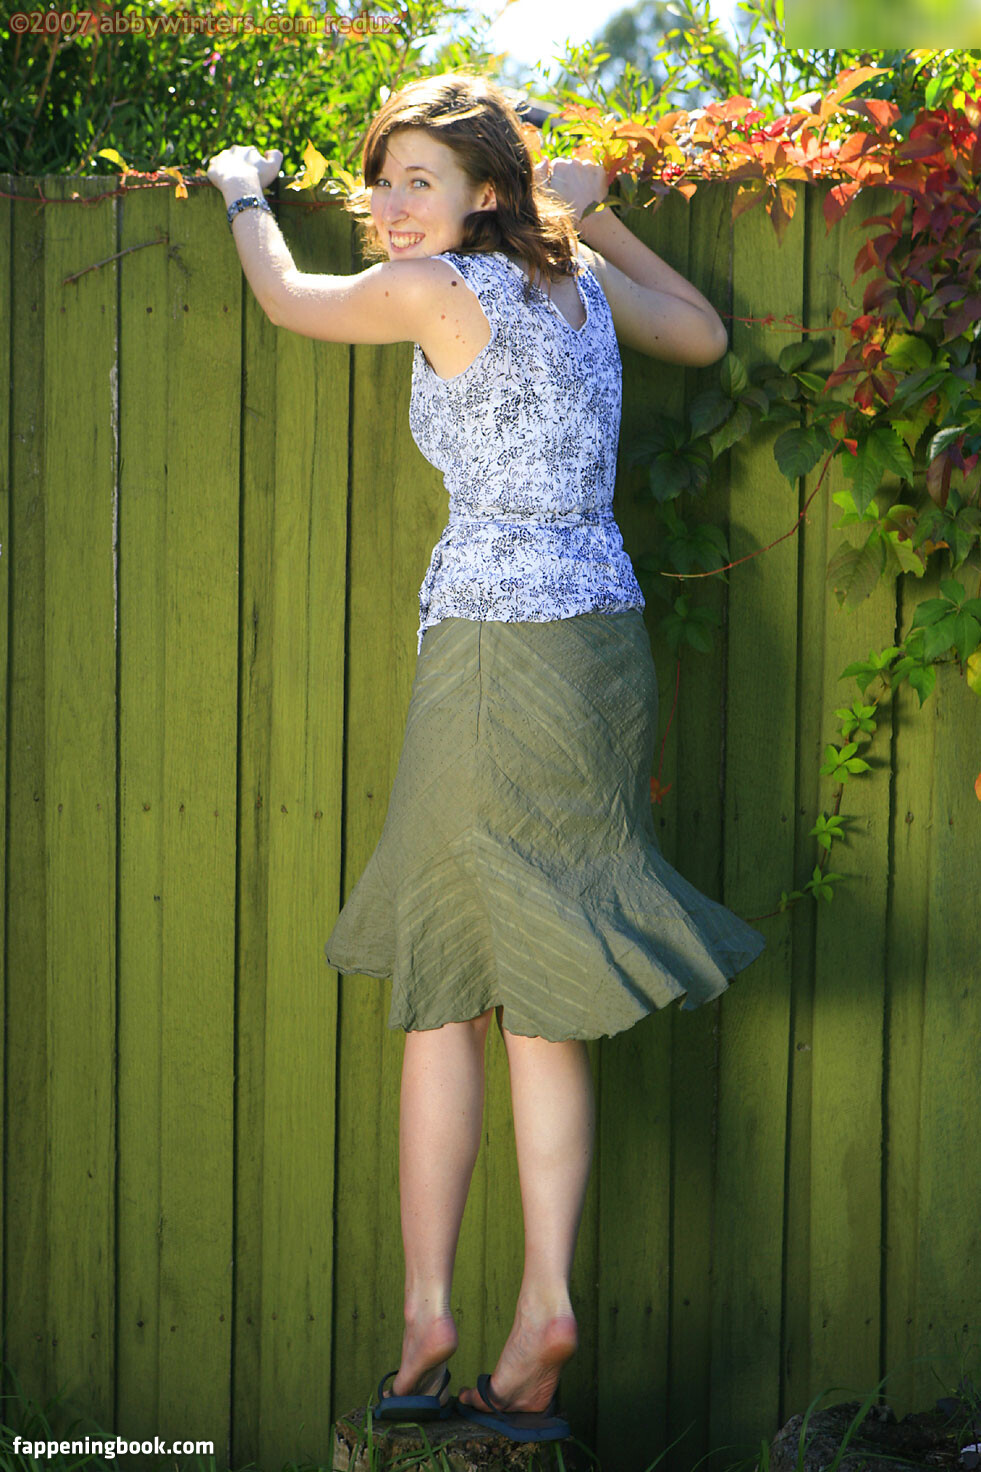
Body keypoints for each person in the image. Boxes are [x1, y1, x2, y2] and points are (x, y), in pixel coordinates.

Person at [207, 70, 765, 1445]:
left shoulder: (432, 287)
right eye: (382, 180)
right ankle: (538, 1313)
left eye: (420, 182)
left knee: (451, 983)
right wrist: (598, 213)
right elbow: (699, 334)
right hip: (601, 649)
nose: (391, 207)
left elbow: (286, 296)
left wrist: (238, 188)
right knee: (543, 984)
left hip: (493, 654)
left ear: (482, 194)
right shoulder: (574, 284)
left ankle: (431, 1317)